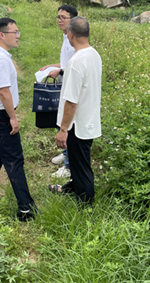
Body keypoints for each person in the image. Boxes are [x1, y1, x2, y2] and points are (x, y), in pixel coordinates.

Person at [0, 18, 37, 221]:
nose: (18, 36)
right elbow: (4, 92)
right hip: (0, 115)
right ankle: (26, 209)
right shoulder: (1, 59)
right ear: (2, 35)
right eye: (15, 32)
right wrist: (13, 117)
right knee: (14, 160)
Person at [50, 16, 102, 204]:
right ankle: (72, 189)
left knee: (81, 166)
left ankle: (85, 204)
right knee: (79, 162)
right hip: (89, 119)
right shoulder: (94, 54)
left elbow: (71, 101)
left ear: (70, 35)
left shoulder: (76, 62)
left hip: (77, 125)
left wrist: (63, 130)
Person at [39, 4, 78, 178]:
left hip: (69, 86)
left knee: (67, 123)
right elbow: (66, 62)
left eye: (63, 17)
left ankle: (68, 166)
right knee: (61, 120)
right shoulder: (65, 37)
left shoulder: (73, 41)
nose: (59, 20)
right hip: (63, 84)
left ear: (73, 20)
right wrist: (52, 66)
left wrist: (59, 71)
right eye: (58, 17)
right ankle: (65, 153)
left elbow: (75, 66)